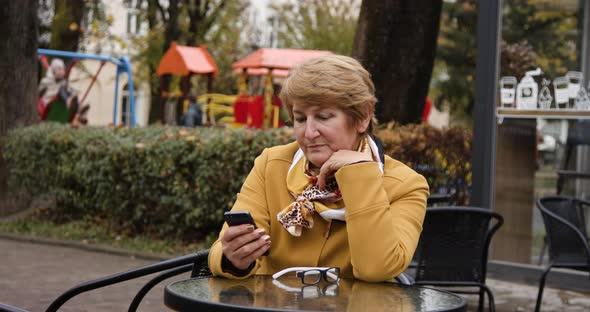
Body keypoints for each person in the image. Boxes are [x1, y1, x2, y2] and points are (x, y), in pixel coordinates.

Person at [208, 55, 429, 282]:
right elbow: (221, 250)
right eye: (300, 118)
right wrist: (233, 259)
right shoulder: (270, 165)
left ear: (363, 116)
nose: (309, 133)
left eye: (323, 117)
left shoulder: (407, 185)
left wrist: (359, 174)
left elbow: (377, 269)